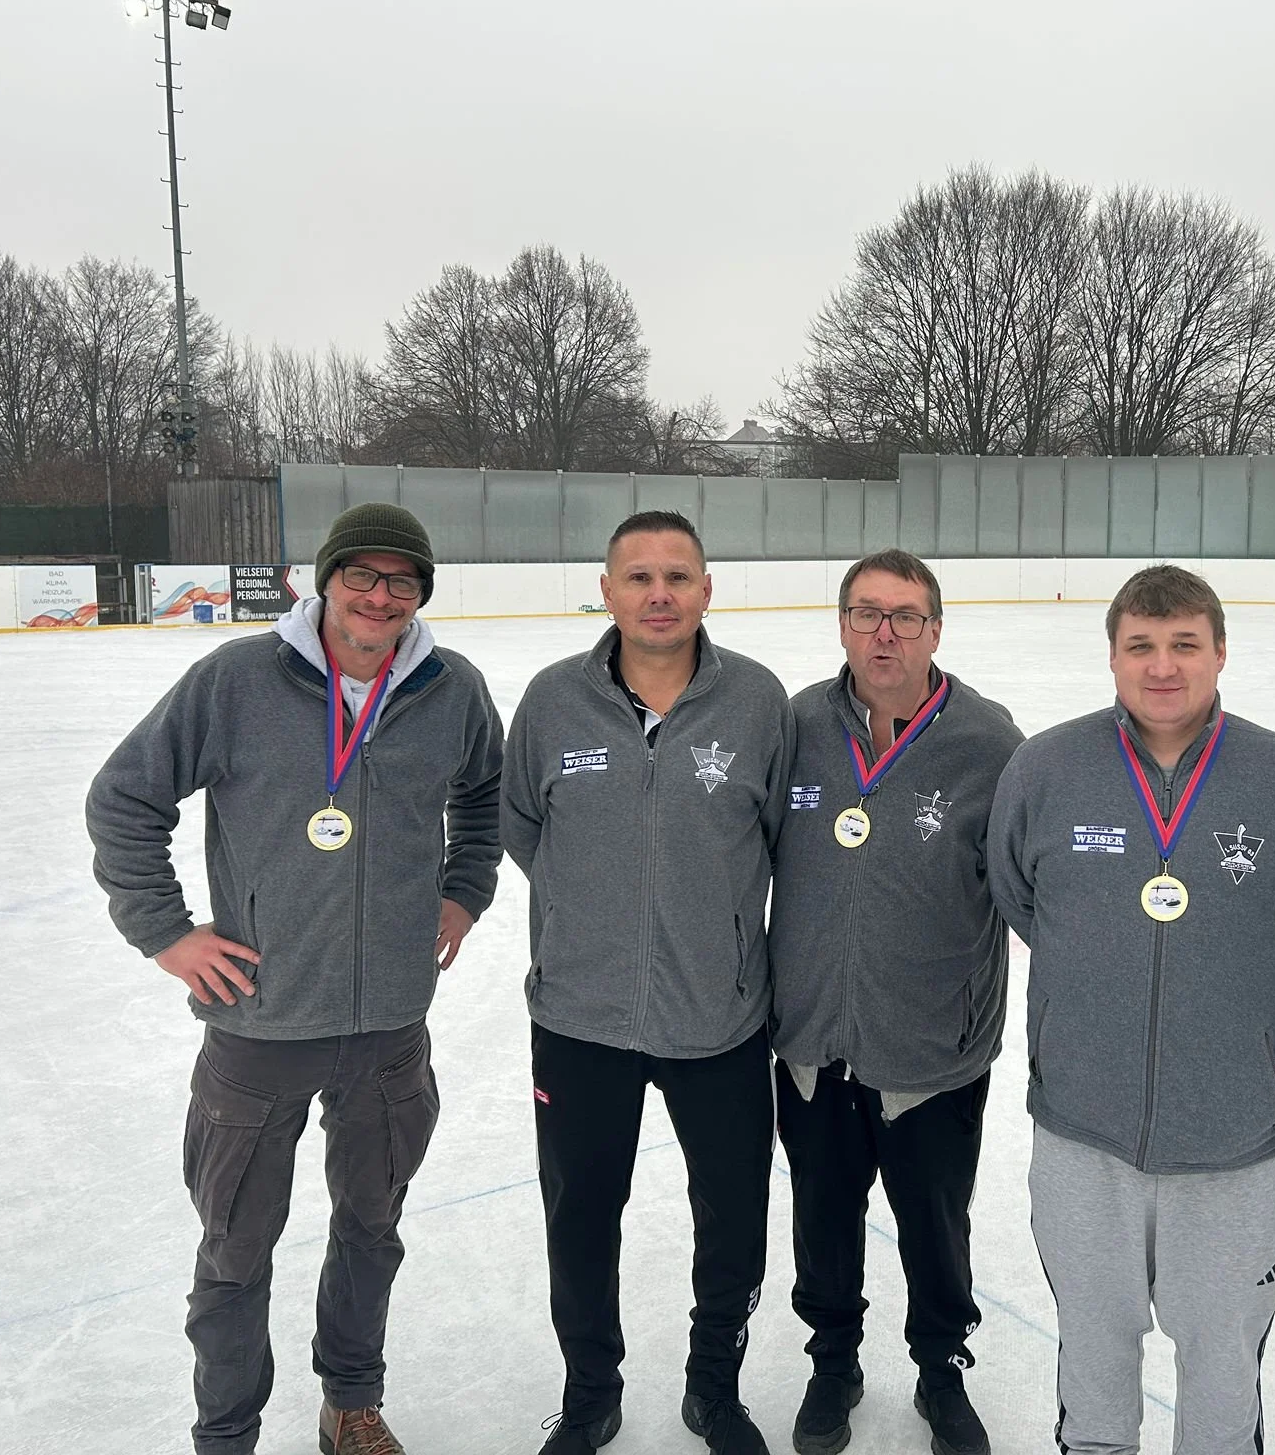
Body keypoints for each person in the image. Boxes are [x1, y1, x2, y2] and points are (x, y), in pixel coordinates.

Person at [86, 502, 505, 1455]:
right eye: (361, 574)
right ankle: (226, 1434)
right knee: (236, 1248)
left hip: (389, 1024)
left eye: (402, 580)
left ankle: (350, 1400)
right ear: (324, 582)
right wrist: (167, 932)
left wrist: (464, 888)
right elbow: (124, 799)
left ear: (420, 596)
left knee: (371, 1225)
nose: (379, 595)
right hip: (257, 1026)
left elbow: (486, 795)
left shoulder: (452, 689)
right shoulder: (238, 681)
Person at [986, 564, 1275, 1455]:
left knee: (1223, 1370)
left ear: (1220, 652)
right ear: (1111, 654)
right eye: (1141, 646)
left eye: (1185, 644)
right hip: (1082, 1132)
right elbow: (1020, 899)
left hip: (1233, 1141)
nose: (1163, 666)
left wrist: (1223, 1000)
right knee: (1096, 1358)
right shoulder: (1046, 769)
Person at [502, 511, 795, 1455]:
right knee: (581, 1213)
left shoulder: (759, 704)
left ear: (708, 590)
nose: (658, 593)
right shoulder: (552, 702)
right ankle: (591, 1392)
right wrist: (590, 926)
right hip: (581, 1020)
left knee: (735, 1215)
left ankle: (714, 1387)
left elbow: (780, 841)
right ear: (608, 590)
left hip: (720, 1018)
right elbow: (523, 829)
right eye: (639, 577)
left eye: (677, 575)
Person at [768, 550, 1026, 1455]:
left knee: (934, 1224)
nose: (885, 632)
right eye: (867, 613)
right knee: (823, 1218)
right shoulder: (794, 725)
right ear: (841, 624)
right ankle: (832, 1360)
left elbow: (1032, 888)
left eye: (905, 616)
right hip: (811, 1045)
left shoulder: (990, 742)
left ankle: (940, 1365)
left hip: (933, 1050)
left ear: (935, 631)